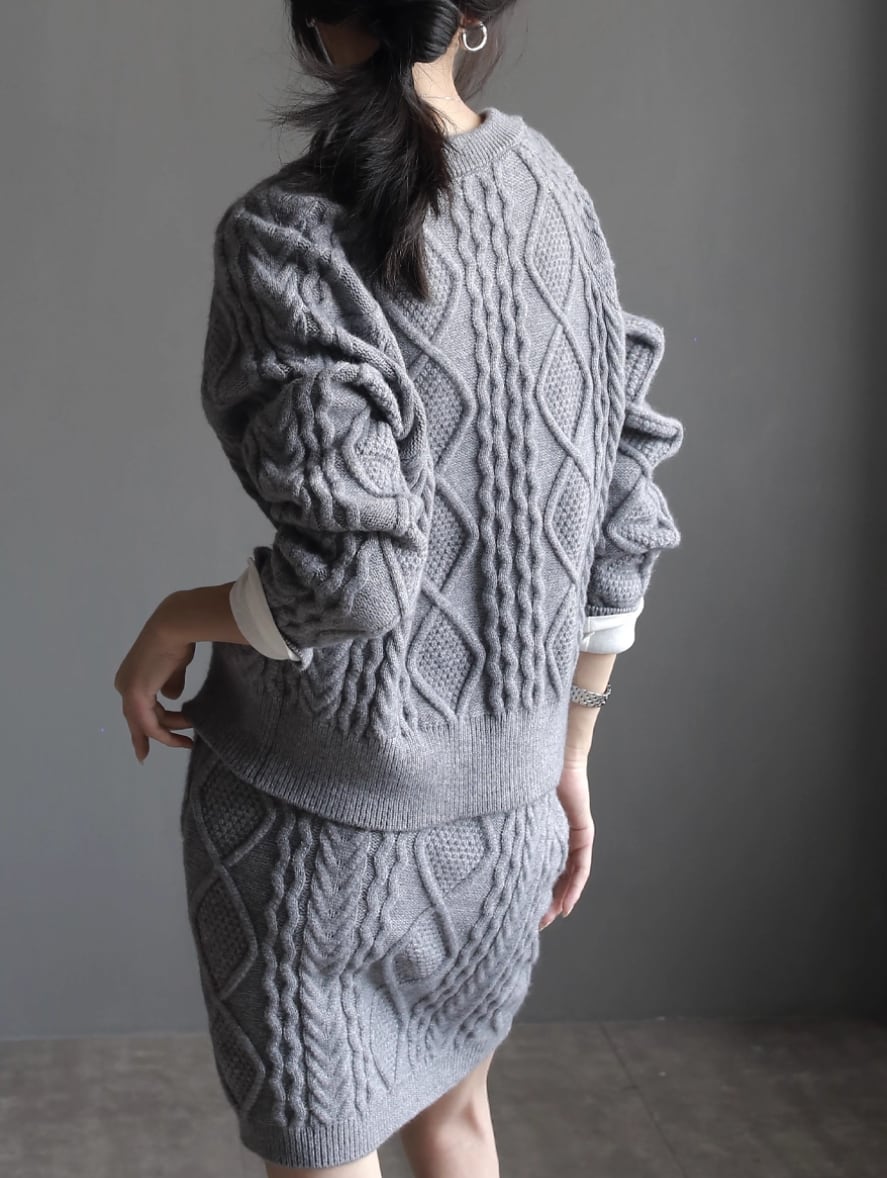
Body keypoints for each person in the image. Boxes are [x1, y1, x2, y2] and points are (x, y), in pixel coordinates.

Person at [113, 3, 684, 1175]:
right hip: (508, 813)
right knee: (458, 1122)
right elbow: (623, 503)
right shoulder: (547, 190)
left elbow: (356, 578)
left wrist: (175, 618)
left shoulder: (287, 235)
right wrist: (566, 749)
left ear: (322, 18)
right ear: (468, 15)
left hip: (321, 832)